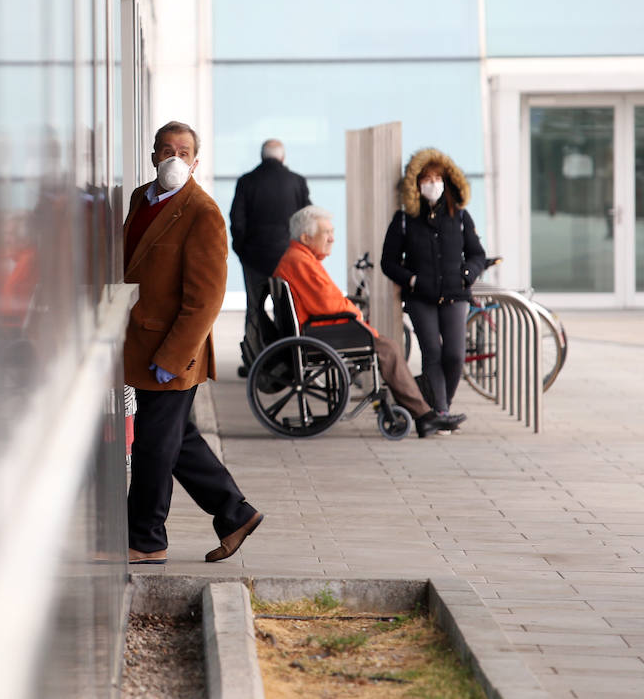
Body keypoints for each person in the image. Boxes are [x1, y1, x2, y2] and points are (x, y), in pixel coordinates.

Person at [124, 121, 263, 565]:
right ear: (152, 157)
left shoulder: (203, 211)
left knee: (151, 446)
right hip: (139, 345)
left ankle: (146, 541)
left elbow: (205, 298)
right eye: (166, 151)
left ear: (196, 161)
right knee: (176, 440)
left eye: (184, 152)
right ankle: (234, 514)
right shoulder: (139, 199)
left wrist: (173, 356)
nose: (174, 160)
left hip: (172, 354)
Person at [274, 206, 461, 439]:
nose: (332, 238)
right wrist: (355, 312)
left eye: (332, 232)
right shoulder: (301, 261)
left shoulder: (299, 257)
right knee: (389, 349)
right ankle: (424, 415)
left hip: (320, 329)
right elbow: (327, 304)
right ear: (306, 237)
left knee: (388, 345)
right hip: (322, 332)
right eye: (327, 233)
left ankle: (423, 412)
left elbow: (325, 300)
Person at [380, 148, 488, 417]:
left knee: (454, 355)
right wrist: (412, 279)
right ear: (416, 183)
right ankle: (439, 412)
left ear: (447, 181)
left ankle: (443, 405)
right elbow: (388, 262)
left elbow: (477, 254)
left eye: (438, 178)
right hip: (421, 297)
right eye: (426, 179)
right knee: (432, 352)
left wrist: (467, 274)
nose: (433, 184)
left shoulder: (460, 216)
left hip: (455, 293)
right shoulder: (404, 220)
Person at [230, 139, 311, 376]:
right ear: (282, 157)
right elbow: (305, 220)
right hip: (286, 260)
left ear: (262, 156)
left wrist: (242, 251)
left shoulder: (247, 181)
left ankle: (253, 362)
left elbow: (237, 221)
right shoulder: (297, 181)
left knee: (254, 309)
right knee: (285, 309)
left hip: (254, 258)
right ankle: (288, 362)